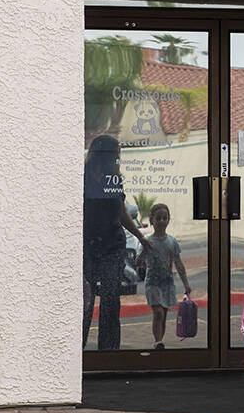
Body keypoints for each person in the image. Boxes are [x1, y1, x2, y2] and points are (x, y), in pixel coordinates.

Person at [82, 134, 148, 350]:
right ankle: (77, 353)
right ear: (104, 155)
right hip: (88, 246)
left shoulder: (115, 179)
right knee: (85, 301)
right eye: (116, 154)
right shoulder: (82, 178)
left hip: (112, 245)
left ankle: (108, 353)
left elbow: (121, 213)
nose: (118, 159)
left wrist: (140, 236)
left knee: (110, 300)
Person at [140, 202, 191, 349]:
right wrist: (144, 249)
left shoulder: (172, 241)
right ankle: (157, 341)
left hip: (167, 283)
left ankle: (159, 341)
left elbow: (178, 263)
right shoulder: (148, 241)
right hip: (152, 283)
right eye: (158, 218)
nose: (162, 221)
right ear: (151, 221)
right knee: (158, 312)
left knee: (164, 313)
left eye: (165, 218)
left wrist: (186, 284)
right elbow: (139, 262)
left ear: (169, 219)